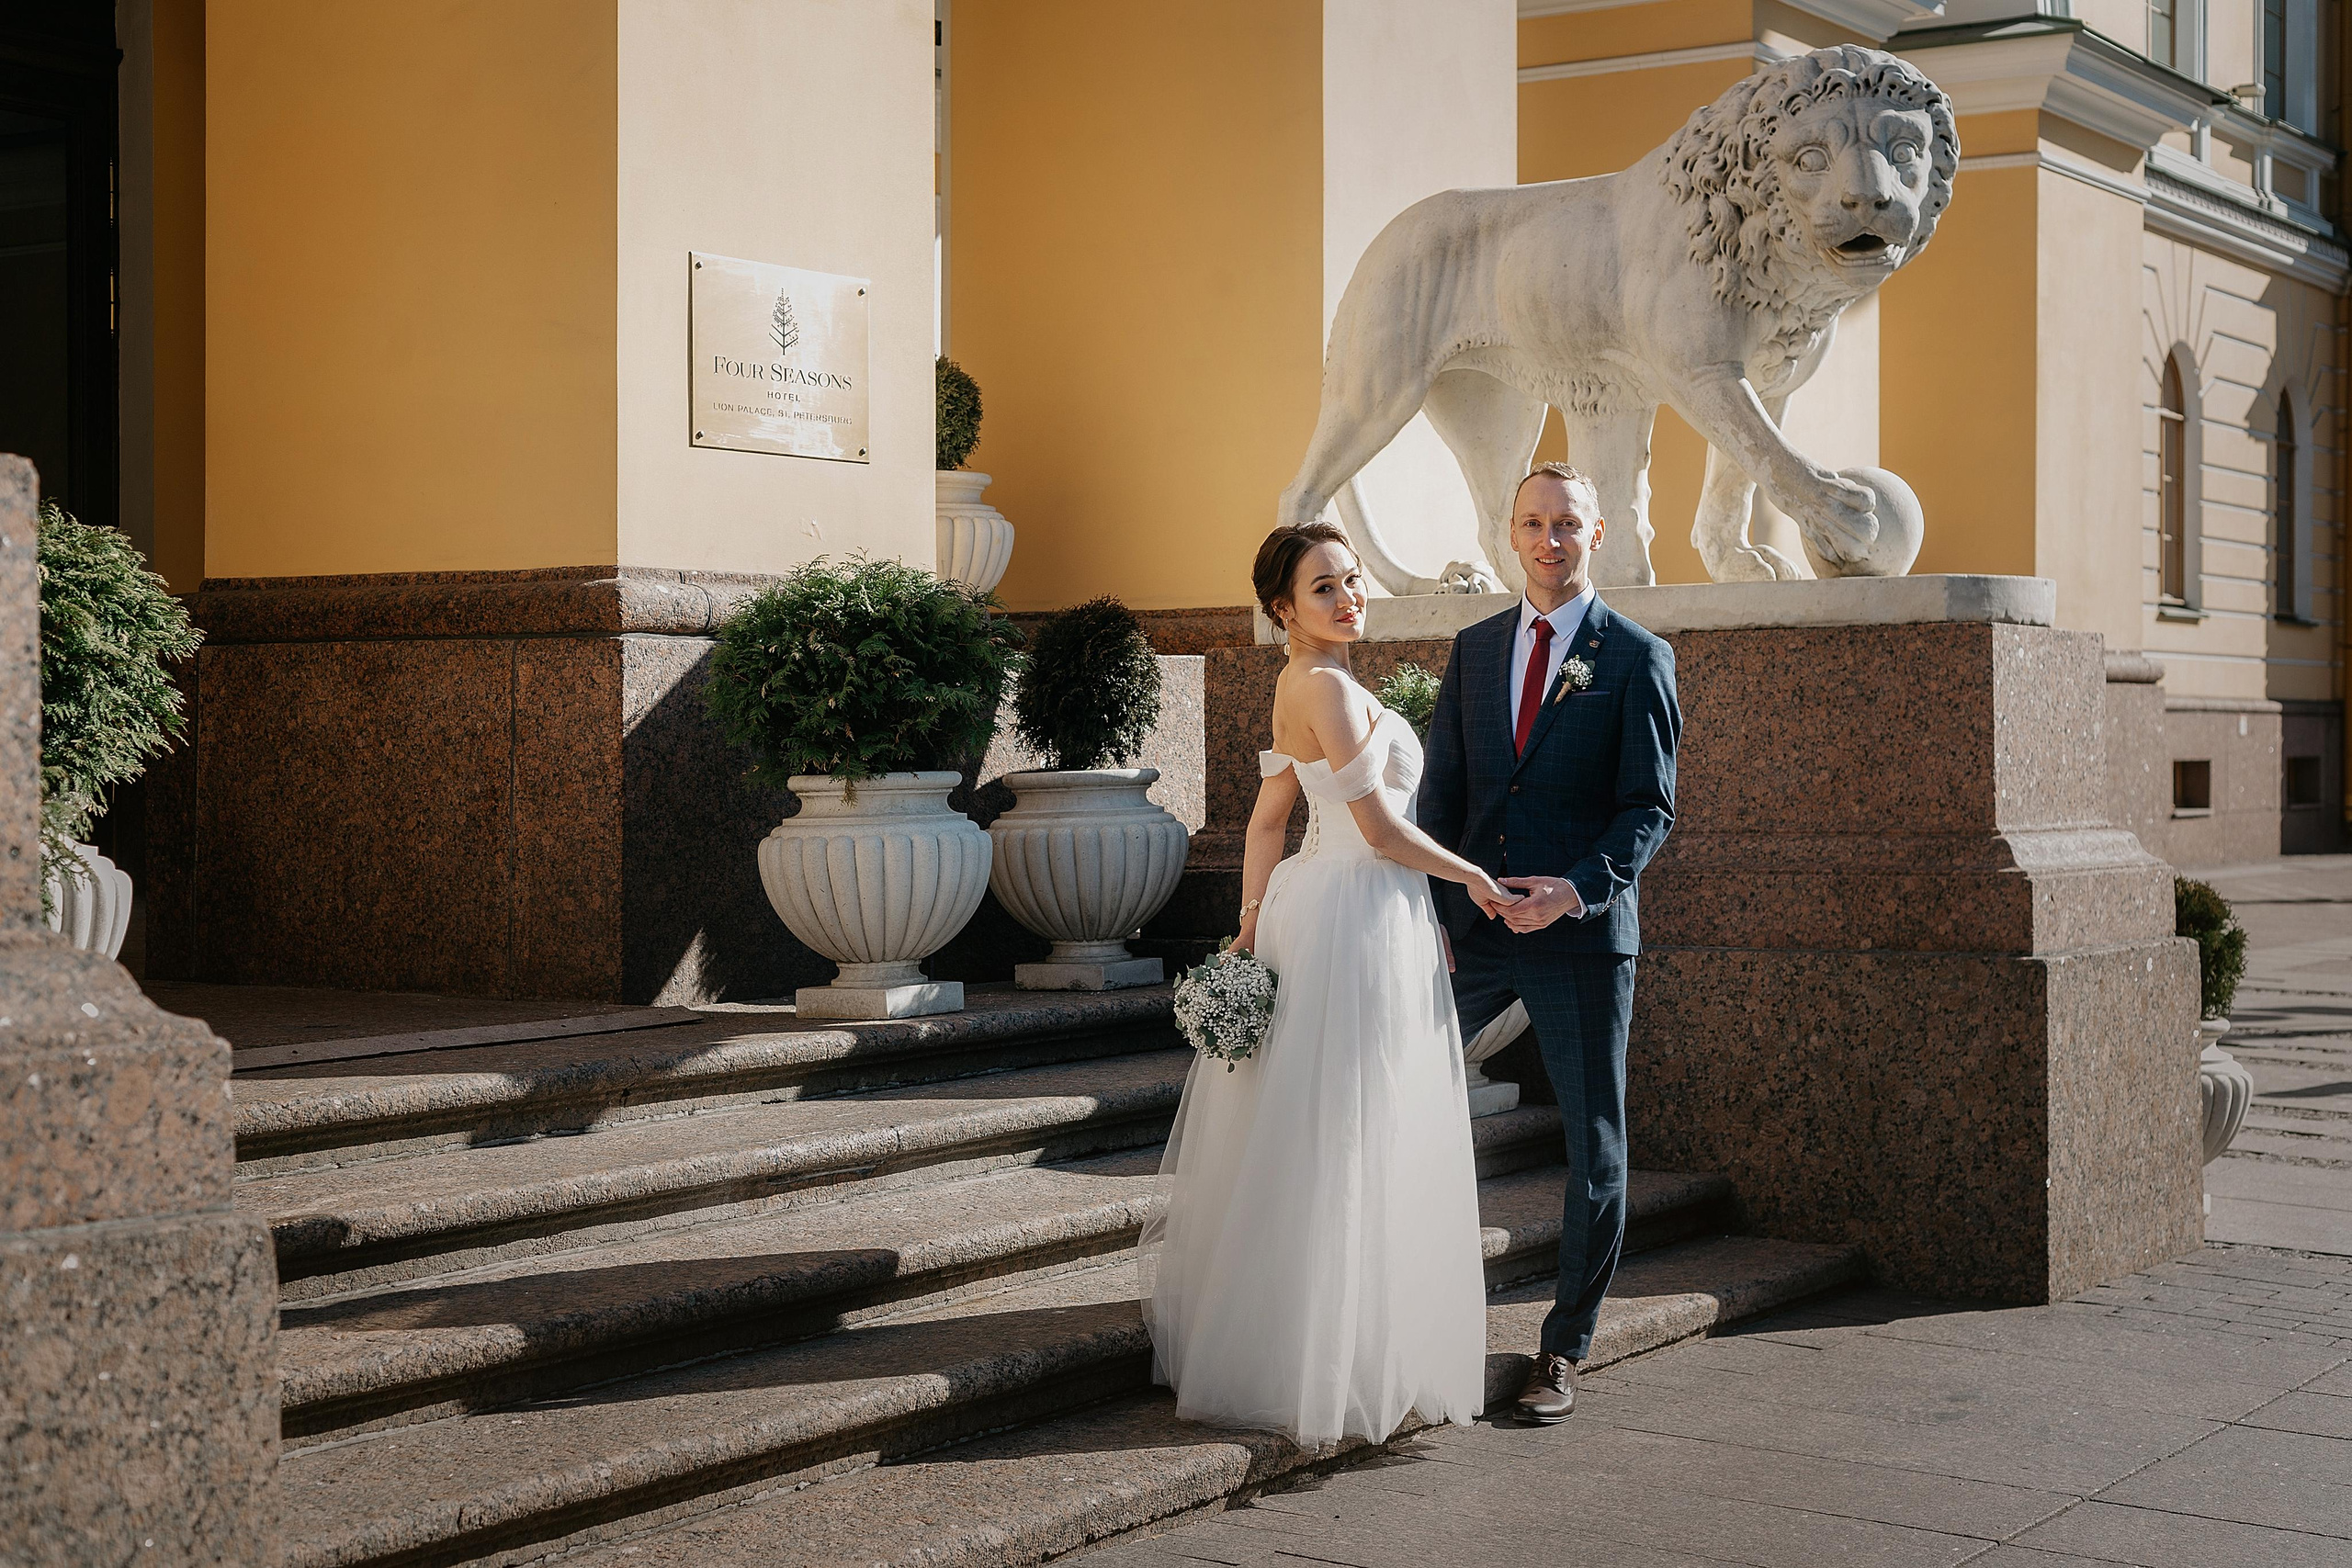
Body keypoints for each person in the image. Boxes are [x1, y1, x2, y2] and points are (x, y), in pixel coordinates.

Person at [1142, 520, 1519, 1449]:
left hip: (1348, 909)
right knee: (1350, 1125)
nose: (1350, 597)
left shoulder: (1308, 681)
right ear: (1282, 608)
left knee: (1337, 1122)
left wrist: (1253, 919)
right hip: (1352, 914)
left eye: (1352, 581)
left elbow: (1270, 819)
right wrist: (1468, 879)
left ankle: (1343, 1343)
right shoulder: (1320, 686)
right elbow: (1382, 832)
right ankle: (1335, 1358)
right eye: (1324, 587)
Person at [1418, 461, 1681, 1424]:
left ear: (1595, 535)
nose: (1548, 540)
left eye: (1566, 524)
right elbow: (1440, 796)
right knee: (1382, 1083)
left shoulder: (1636, 657)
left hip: (1579, 938)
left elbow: (1647, 809)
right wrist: (1441, 917)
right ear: (1511, 532)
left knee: (1596, 1145)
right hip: (1476, 935)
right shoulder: (1476, 649)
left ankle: (1561, 1350)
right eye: (1532, 523)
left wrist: (1574, 892)